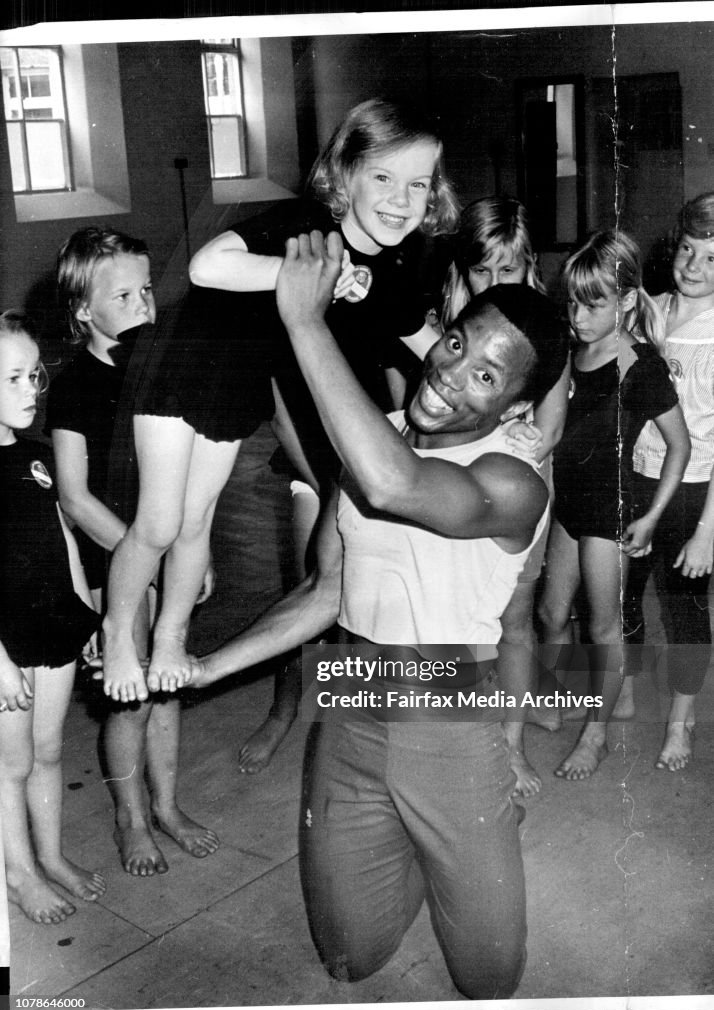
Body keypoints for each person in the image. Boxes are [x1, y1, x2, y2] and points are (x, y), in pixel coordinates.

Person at [183, 232, 570, 998]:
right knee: (348, 959)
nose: (451, 374)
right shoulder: (378, 441)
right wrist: (200, 668)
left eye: (486, 375)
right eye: (456, 344)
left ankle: (463, 837)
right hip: (354, 699)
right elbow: (326, 591)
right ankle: (424, 847)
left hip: (452, 722)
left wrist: (305, 322)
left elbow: (396, 487)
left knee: (488, 980)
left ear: (516, 406)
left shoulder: (514, 480)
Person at [186, 97, 459, 771]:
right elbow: (206, 266)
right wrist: (314, 277)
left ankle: (349, 714)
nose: (401, 201)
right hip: (297, 433)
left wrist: (506, 393)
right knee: (332, 582)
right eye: (383, 179)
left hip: (356, 429)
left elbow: (423, 340)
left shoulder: (400, 256)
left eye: (418, 184)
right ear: (346, 174)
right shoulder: (308, 226)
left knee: (345, 584)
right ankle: (286, 705)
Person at [48, 228, 218, 876]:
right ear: (85, 310)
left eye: (147, 290)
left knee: (166, 684)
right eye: (125, 295)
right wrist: (144, 554)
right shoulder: (75, 386)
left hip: (160, 547)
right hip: (109, 552)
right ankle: (131, 817)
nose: (145, 306)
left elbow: (191, 492)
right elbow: (74, 495)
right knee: (131, 697)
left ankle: (168, 806)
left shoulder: (162, 371)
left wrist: (188, 556)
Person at [538, 229, 690, 781]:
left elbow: (681, 444)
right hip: (567, 507)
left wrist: (650, 517)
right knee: (552, 615)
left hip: (611, 511)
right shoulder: (575, 348)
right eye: (572, 301)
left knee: (604, 627)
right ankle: (560, 697)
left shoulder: (639, 366)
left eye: (592, 303)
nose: (577, 314)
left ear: (625, 302)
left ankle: (596, 734)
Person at [440, 196, 570, 797]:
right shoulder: (442, 325)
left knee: (512, 623)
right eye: (481, 269)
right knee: (450, 628)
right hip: (442, 493)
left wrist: (511, 446)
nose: (493, 283)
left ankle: (512, 745)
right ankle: (462, 737)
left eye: (508, 269)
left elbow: (549, 430)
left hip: (514, 492)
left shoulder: (544, 330)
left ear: (529, 268)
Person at [0, 311, 103, 924]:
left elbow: (59, 538)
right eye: (10, 379)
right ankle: (19, 873)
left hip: (53, 626)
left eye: (33, 376)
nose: (30, 392)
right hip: (5, 644)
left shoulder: (35, 456)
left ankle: (52, 856)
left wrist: (86, 617)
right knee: (9, 764)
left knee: (47, 750)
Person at [623, 193, 714, 770]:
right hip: (634, 473)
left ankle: (681, 720)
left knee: (681, 606)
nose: (694, 265)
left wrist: (707, 531)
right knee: (621, 591)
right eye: (687, 248)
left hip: (694, 487)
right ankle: (626, 688)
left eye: (712, 257)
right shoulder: (649, 311)